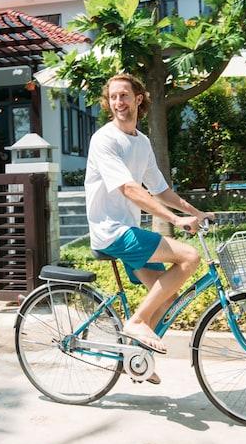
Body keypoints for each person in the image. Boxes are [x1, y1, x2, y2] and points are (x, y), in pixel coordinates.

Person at [85, 74, 214, 382]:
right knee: (190, 257)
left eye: (124, 96)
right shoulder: (105, 139)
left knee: (167, 296)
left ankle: (136, 356)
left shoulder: (141, 142)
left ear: (138, 98)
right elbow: (129, 189)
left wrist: (196, 212)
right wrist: (174, 221)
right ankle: (138, 322)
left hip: (129, 230)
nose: (118, 102)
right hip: (111, 231)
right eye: (113, 97)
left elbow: (160, 189)